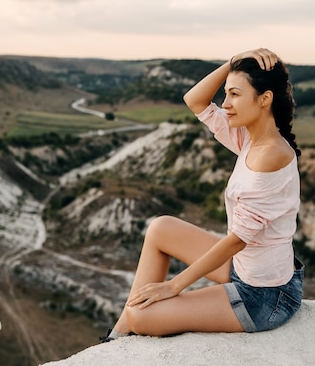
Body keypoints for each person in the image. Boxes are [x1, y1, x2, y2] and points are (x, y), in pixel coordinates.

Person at [102, 47, 304, 341]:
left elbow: (237, 240)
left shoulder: (270, 154)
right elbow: (195, 100)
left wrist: (174, 286)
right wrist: (235, 60)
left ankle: (123, 330)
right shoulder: (250, 139)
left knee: (141, 316)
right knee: (161, 228)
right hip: (246, 267)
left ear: (265, 99)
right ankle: (116, 337)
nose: (226, 103)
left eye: (235, 94)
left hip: (264, 295)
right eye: (226, 94)